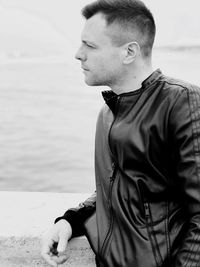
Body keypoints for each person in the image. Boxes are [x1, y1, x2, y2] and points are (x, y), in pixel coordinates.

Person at [41, 0, 200, 266]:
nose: (78, 54)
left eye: (90, 45)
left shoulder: (182, 101)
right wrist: (70, 221)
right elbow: (116, 187)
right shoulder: (108, 113)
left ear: (129, 52)